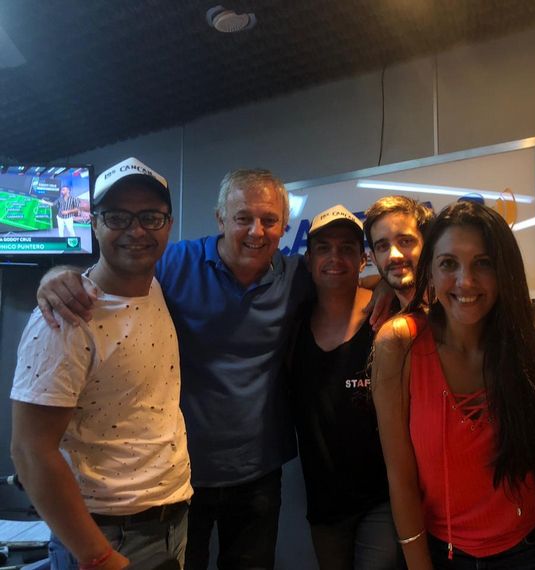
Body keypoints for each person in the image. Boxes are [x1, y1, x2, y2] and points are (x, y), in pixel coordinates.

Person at [37, 169, 313, 570]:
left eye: (269, 220)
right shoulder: (175, 263)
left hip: (258, 471)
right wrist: (54, 276)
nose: (256, 231)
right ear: (220, 219)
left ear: (284, 225)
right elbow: (113, 271)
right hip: (182, 476)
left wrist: (389, 291)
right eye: (243, 218)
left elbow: (349, 285)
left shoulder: (296, 277)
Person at [10, 157, 192, 570]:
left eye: (150, 217)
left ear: (168, 224)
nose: (136, 231)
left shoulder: (156, 285)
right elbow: (29, 451)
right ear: (93, 224)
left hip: (170, 518)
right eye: (117, 217)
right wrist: (99, 556)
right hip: (106, 536)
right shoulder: (64, 320)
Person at [372, 200, 535, 569]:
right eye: (449, 264)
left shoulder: (530, 338)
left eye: (483, 263)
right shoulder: (400, 344)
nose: (466, 281)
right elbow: (399, 476)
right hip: (447, 553)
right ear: (430, 270)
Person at [288, 204, 399, 570]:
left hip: (383, 496)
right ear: (308, 260)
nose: (335, 257)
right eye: (324, 248)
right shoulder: (293, 324)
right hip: (324, 503)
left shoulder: (387, 318)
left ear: (363, 259)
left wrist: (388, 283)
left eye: (347, 248)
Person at [364, 196, 434, 309]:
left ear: (427, 246)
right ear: (374, 258)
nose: (394, 255)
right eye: (383, 246)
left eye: (405, 241)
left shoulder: (457, 310)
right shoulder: (379, 317)